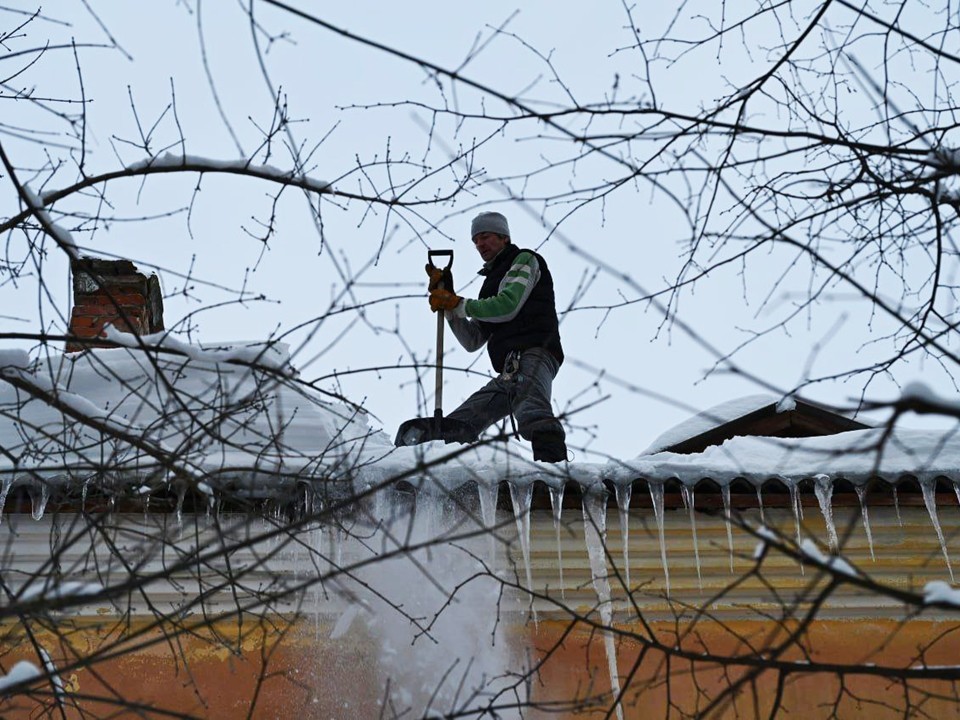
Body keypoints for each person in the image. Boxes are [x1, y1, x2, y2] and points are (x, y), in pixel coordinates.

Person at [426, 211, 568, 462]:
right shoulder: (490, 283)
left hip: (534, 352)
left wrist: (459, 303)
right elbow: (473, 340)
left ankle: (556, 477)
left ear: (503, 237)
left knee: (532, 410)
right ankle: (435, 466)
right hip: (509, 370)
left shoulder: (524, 260)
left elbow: (507, 306)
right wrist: (449, 306)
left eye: (485, 237)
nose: (480, 244)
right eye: (475, 241)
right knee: (458, 424)